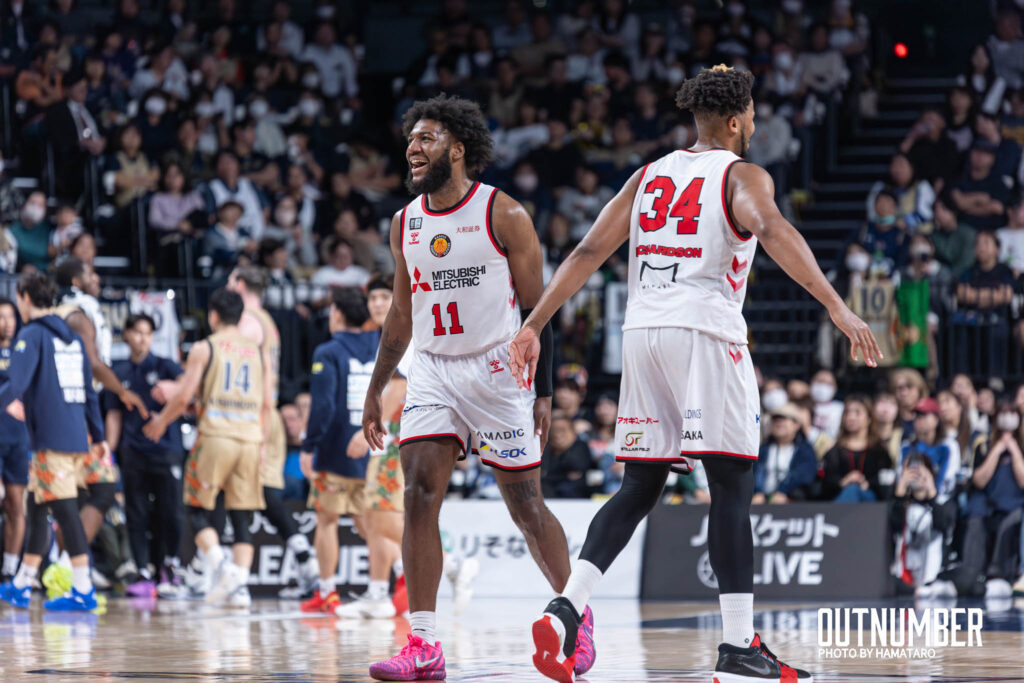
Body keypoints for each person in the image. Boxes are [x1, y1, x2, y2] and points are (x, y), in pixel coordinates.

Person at [507, 65, 881, 683]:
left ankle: (566, 608)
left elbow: (587, 252)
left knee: (639, 484)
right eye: (752, 113)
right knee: (731, 485)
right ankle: (737, 647)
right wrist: (837, 307)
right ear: (736, 120)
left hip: (642, 333)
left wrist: (532, 325)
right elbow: (773, 229)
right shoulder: (742, 174)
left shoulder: (648, 175)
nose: (755, 122)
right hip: (705, 330)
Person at [362, 94, 589, 682]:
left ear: (458, 149)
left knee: (526, 507)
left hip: (498, 371)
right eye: (411, 139)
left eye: (427, 138)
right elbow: (401, 313)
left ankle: (575, 618)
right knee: (418, 494)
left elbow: (540, 308)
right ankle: (424, 644)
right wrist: (377, 386)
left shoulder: (503, 213)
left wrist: (542, 391)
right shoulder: (405, 222)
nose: (413, 148)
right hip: (433, 369)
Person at [142, 289, 272, 607]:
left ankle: (223, 569)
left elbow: (184, 397)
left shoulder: (205, 347)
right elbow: (268, 403)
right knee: (241, 517)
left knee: (196, 509)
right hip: (250, 438)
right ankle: (240, 588)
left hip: (216, 437)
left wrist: (161, 422)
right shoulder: (259, 352)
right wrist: (264, 444)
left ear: (213, 316)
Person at [0, 272, 106, 611]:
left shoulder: (31, 334)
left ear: (25, 298)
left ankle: (83, 588)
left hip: (50, 438)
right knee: (37, 507)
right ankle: (22, 583)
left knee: (65, 511)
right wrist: (99, 436)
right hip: (75, 435)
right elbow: (90, 391)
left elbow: (16, 384)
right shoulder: (72, 338)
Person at [227, 266, 318, 600]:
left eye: (230, 280)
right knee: (263, 494)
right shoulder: (266, 320)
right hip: (268, 413)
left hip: (254, 416)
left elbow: (241, 373)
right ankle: (303, 556)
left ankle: (227, 574)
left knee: (238, 493)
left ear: (239, 284)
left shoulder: (247, 321)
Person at [298, 289, 381, 615]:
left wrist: (309, 445)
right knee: (370, 522)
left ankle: (328, 592)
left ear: (337, 315)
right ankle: (396, 580)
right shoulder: (382, 346)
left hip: (336, 448)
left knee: (327, 519)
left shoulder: (328, 351)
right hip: (374, 446)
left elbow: (323, 406)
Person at [336, 279, 410, 618]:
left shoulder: (402, 331)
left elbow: (400, 386)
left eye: (385, 296)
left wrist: (369, 425)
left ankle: (450, 561)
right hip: (391, 437)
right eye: (373, 298)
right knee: (373, 515)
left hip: (398, 436)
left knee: (381, 515)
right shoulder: (385, 333)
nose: (378, 303)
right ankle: (378, 593)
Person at [104, 313, 185, 597]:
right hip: (133, 451)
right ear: (126, 334)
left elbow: (192, 390)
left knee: (171, 511)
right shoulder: (118, 372)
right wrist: (109, 449)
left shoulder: (165, 366)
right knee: (136, 513)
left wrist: (175, 389)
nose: (143, 338)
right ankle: (142, 571)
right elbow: (113, 414)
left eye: (148, 333)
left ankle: (170, 567)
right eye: (138, 332)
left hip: (166, 449)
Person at [0, 298, 28, 583]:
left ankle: (9, 569)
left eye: (10, 316)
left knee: (15, 505)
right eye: (1, 316)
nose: (6, 322)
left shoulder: (24, 350)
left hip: (19, 440)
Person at [820, 395, 890, 501]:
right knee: (851, 490)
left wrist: (866, 482)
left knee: (853, 490)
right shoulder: (835, 450)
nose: (851, 417)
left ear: (869, 418)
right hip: (840, 496)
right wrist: (844, 481)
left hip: (871, 502)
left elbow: (885, 477)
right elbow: (827, 480)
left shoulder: (879, 450)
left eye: (857, 413)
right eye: (847, 413)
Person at [752, 403, 819, 504]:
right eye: (775, 419)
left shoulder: (805, 450)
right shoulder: (762, 450)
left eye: (783, 418)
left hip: (791, 502)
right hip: (760, 502)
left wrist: (783, 492)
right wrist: (757, 493)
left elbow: (804, 477)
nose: (778, 422)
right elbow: (752, 475)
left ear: (796, 425)